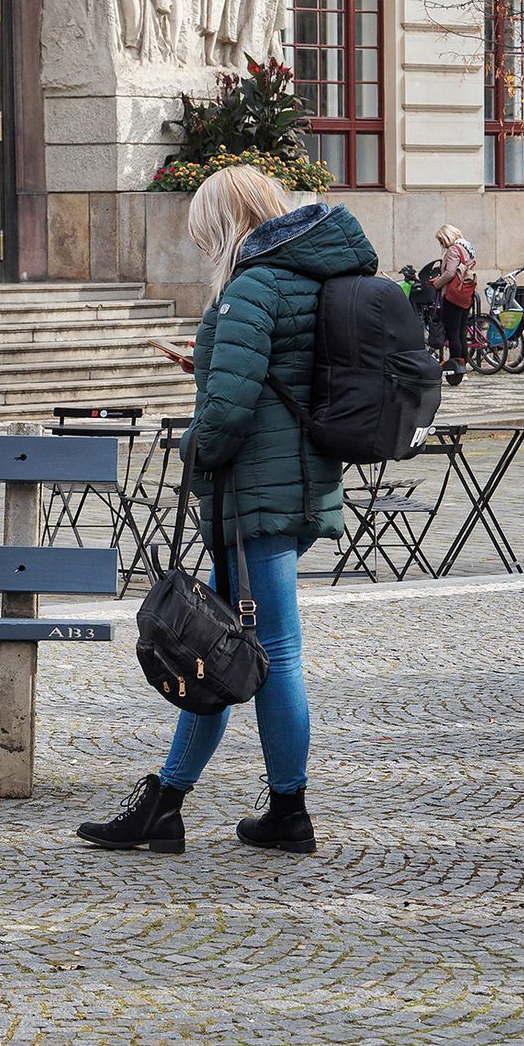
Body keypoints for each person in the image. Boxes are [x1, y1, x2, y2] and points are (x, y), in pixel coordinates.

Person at [76, 165, 376, 857]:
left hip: (258, 499)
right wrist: (210, 369)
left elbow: (232, 411)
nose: (202, 243)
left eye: (205, 229)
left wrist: (197, 449)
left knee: (270, 654)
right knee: (209, 647)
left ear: (226, 223)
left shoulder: (251, 286)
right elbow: (275, 375)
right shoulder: (308, 276)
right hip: (297, 487)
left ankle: (288, 813)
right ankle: (165, 803)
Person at [431, 224, 477, 382]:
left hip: (453, 296)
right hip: (466, 294)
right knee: (461, 332)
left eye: (441, 241)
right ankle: (463, 368)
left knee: (453, 333)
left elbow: (450, 273)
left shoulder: (453, 250)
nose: (442, 245)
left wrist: (437, 283)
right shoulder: (467, 247)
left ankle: (457, 368)